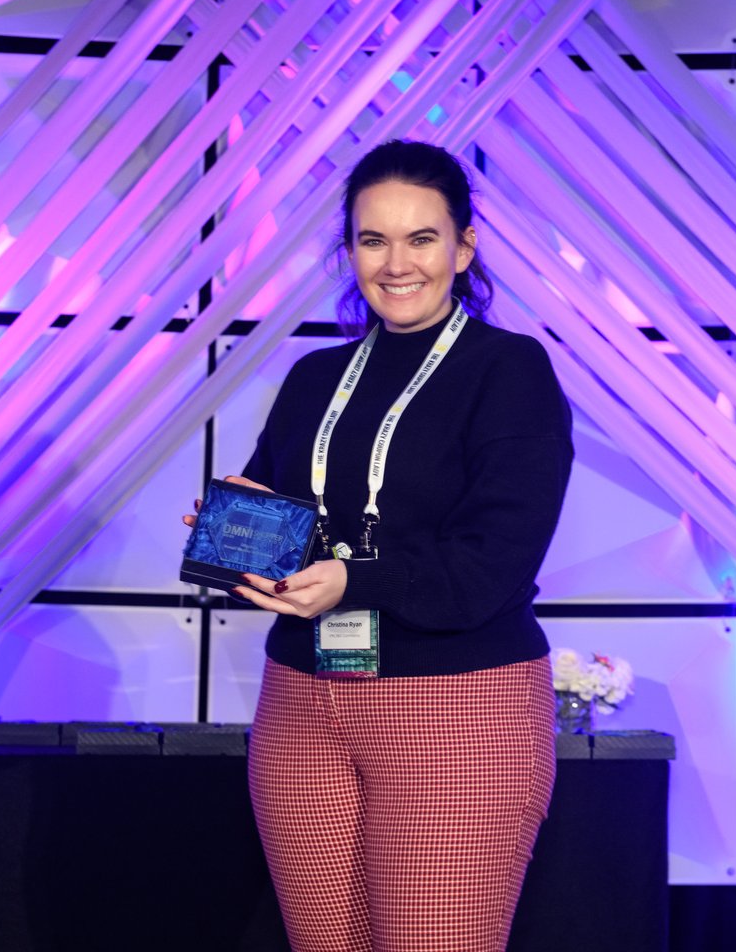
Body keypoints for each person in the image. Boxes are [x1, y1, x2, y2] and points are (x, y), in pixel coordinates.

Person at [192, 140, 573, 951]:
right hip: (302, 703)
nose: (396, 263)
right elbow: (288, 544)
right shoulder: (313, 379)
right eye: (373, 240)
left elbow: (491, 565)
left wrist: (346, 578)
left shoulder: (509, 370)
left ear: (465, 247)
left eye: (421, 239)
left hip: (457, 708)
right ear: (349, 250)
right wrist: (238, 540)